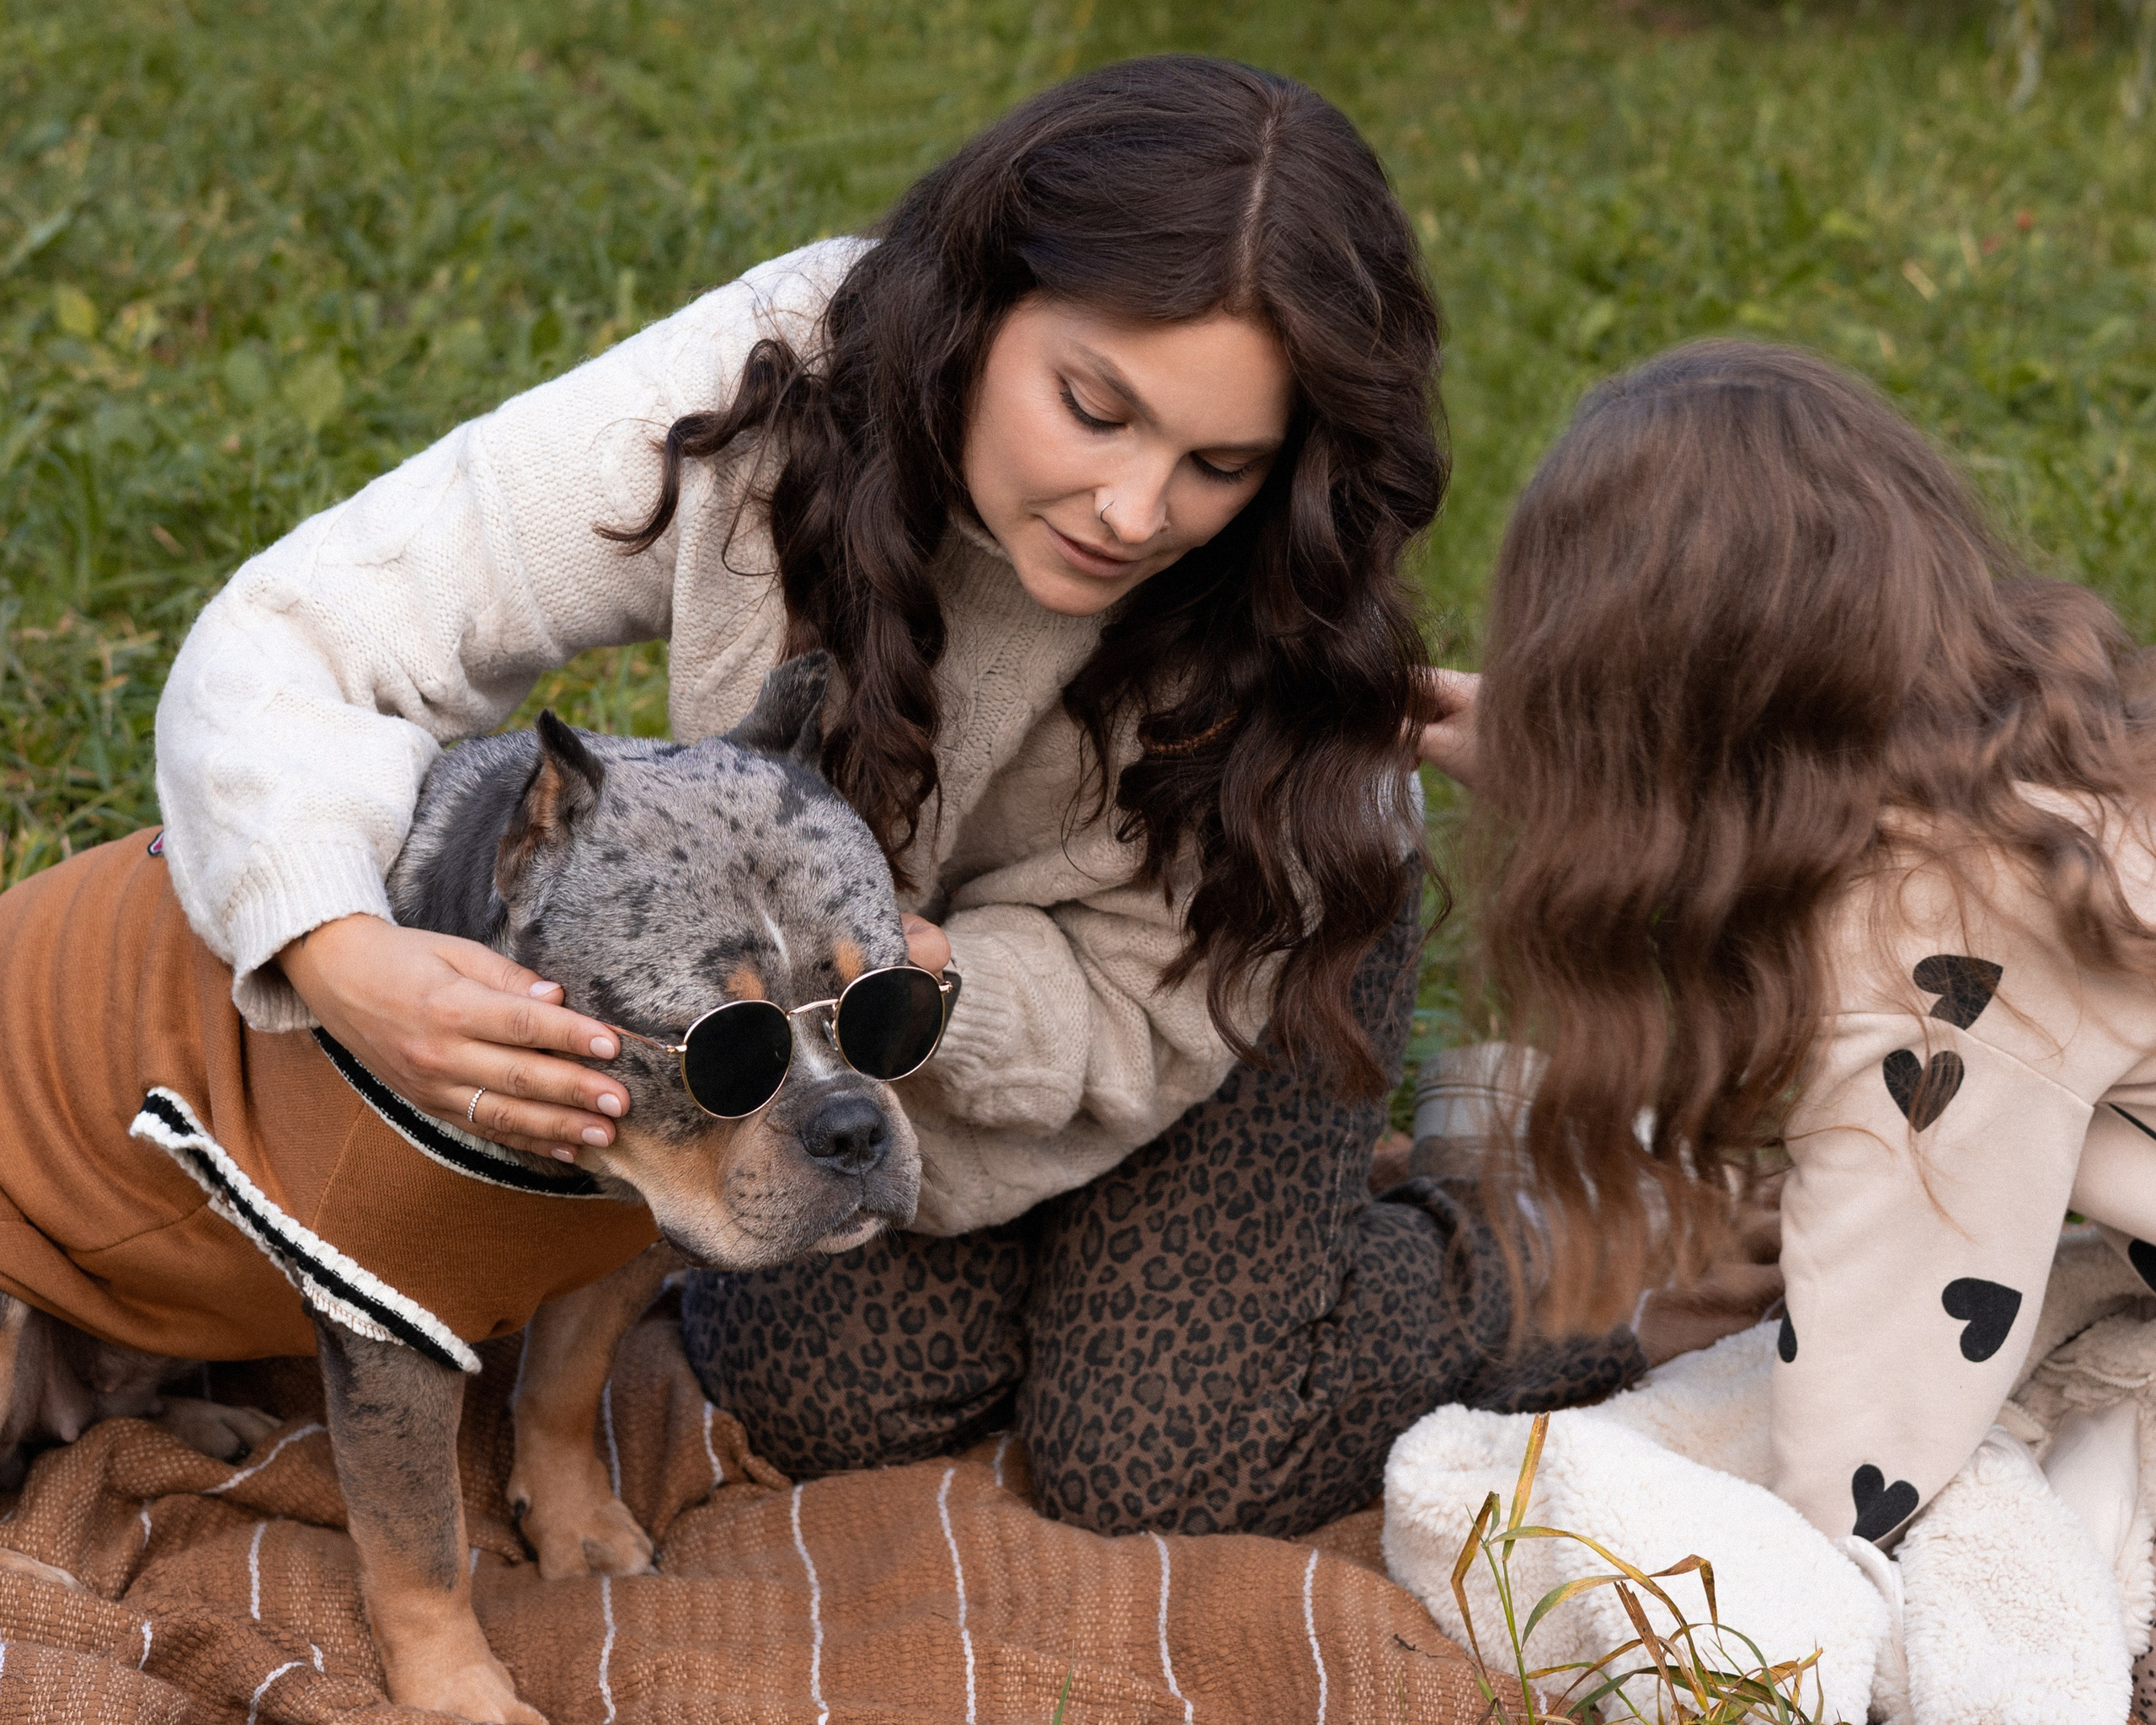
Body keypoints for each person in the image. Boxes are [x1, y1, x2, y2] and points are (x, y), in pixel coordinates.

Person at [155, 56, 1676, 1541]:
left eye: (1220, 462)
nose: (1138, 511)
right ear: (972, 302)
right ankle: (1129, 1279)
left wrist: (938, 984)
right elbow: (307, 626)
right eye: (1093, 406)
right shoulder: (774, 383)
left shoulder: (1272, 611)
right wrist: (337, 952)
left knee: (1159, 1458)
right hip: (856, 1026)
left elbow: (1136, 1009)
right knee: (831, 1402)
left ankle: (1547, 1219)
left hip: (1232, 955)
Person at [1422, 339, 2156, 1574]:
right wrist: (1574, 756)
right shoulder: (2026, 749)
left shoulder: (1936, 962)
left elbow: (1864, 1467)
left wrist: (1758, 1557)